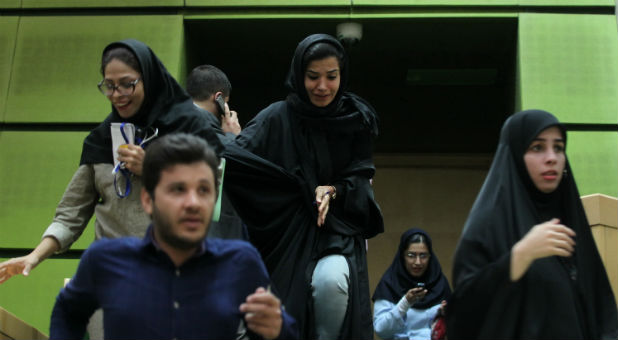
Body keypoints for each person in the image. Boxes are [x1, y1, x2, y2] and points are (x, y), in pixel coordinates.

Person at [0, 39, 223, 285]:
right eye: (109, 86)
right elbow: (71, 213)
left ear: (148, 78)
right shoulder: (101, 139)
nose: (117, 95)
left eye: (127, 85)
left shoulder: (191, 127)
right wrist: (34, 256)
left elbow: (210, 192)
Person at [49, 133, 298, 340]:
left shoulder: (241, 263)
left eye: (203, 190)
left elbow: (279, 330)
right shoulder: (105, 260)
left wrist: (278, 331)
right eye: (178, 189)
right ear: (148, 200)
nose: (193, 203)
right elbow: (68, 311)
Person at [222, 33, 383, 339]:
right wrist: (228, 138)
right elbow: (235, 158)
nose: (322, 86)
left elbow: (360, 178)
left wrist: (332, 190)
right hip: (287, 236)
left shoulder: (356, 119)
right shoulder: (276, 117)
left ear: (342, 76)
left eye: (331, 77)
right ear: (299, 75)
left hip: (336, 230)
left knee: (332, 283)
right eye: (313, 77)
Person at [446, 109, 618, 339]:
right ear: (515, 155)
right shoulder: (488, 226)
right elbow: (463, 315)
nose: (551, 158)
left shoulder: (570, 220)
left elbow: (602, 309)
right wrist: (519, 258)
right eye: (537, 147)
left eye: (558, 147)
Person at [186, 64, 248, 240]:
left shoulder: (173, 122)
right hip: (212, 236)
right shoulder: (207, 132)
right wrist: (234, 137)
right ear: (219, 98)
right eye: (226, 103)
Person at [372, 228, 451, 340]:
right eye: (411, 255)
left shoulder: (439, 282)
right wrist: (405, 303)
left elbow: (456, 329)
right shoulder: (389, 284)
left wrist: (447, 315)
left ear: (430, 256)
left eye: (423, 256)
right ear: (402, 256)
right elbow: (381, 330)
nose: (418, 262)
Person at [186, 64, 241, 135]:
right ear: (218, 97)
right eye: (225, 103)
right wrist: (232, 135)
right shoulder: (209, 132)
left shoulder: (173, 116)